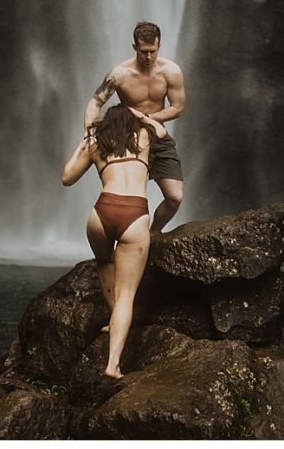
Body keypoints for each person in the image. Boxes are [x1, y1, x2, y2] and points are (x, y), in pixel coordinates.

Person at [62, 102, 166, 378]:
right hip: (134, 214)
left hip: (100, 213)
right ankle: (113, 365)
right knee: (127, 295)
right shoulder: (142, 136)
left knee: (105, 261)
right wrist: (141, 115)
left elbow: (67, 177)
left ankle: (112, 318)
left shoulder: (96, 144)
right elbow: (162, 133)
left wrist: (83, 142)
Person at [82, 20, 185, 232]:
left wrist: (144, 118)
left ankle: (153, 233)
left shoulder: (171, 72)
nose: (148, 57)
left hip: (156, 135)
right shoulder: (120, 74)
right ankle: (128, 237)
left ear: (160, 45)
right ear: (134, 47)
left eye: (152, 51)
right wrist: (89, 133)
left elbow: (177, 108)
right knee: (131, 198)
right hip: (127, 139)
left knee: (175, 197)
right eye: (143, 51)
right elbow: (95, 102)